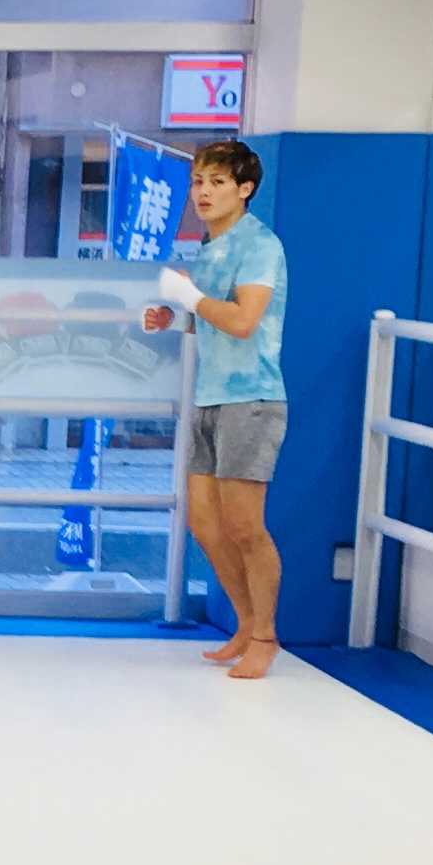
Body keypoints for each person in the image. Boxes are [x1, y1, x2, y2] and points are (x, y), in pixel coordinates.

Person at [140, 137, 287, 678]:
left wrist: (189, 299)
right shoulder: (211, 248)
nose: (203, 192)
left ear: (244, 189)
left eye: (217, 182)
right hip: (210, 397)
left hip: (251, 399)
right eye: (198, 181)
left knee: (246, 526)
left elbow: (244, 322)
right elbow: (213, 319)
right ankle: (246, 625)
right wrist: (175, 318)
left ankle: (265, 635)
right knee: (204, 522)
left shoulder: (259, 244)